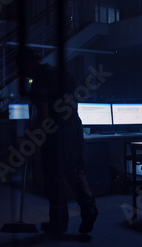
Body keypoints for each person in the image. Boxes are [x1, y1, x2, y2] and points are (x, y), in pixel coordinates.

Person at [20, 49, 98, 234]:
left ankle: (58, 223)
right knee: (76, 171)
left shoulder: (39, 78)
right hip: (74, 127)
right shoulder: (63, 73)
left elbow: (44, 114)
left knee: (53, 178)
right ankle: (89, 209)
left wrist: (31, 135)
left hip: (56, 133)